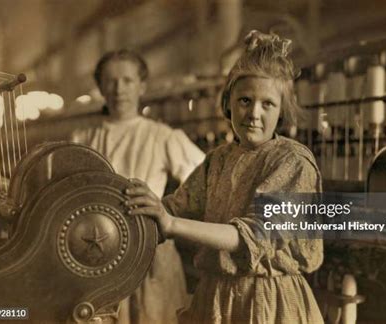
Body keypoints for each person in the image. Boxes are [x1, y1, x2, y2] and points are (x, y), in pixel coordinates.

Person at [124, 31, 324, 323]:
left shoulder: (292, 162)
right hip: (216, 298)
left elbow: (251, 236)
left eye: (267, 104)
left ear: (282, 111)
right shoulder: (219, 160)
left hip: (268, 303)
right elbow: (174, 208)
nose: (254, 113)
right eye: (245, 100)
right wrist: (141, 208)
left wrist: (171, 224)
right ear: (228, 103)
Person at [71, 48, 205, 324]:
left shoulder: (162, 136)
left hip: (150, 253)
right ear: (100, 87)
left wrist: (166, 211)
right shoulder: (82, 139)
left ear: (142, 85)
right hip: (95, 255)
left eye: (128, 80)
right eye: (110, 81)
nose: (119, 89)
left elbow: (207, 183)